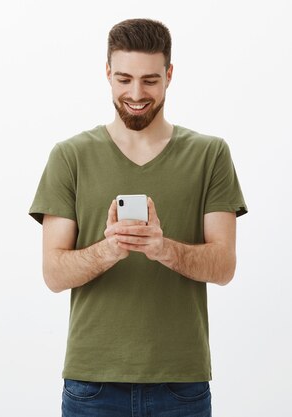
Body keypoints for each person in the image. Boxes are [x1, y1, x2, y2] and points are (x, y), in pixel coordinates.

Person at [28, 18, 247, 417]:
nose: (135, 93)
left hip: (181, 383)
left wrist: (163, 249)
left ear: (169, 75)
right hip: (91, 384)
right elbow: (53, 273)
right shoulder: (70, 156)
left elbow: (224, 266)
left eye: (150, 80)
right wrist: (110, 250)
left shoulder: (210, 154)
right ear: (107, 73)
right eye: (124, 78)